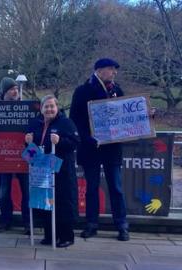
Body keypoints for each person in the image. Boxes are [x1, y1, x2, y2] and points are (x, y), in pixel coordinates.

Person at [69, 58, 130, 241]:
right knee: (92, 188)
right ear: (100, 70)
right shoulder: (82, 91)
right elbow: (75, 120)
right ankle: (91, 224)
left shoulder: (117, 90)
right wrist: (88, 139)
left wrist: (145, 117)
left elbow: (127, 116)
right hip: (91, 148)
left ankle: (122, 225)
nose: (114, 72)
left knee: (116, 188)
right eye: (111, 69)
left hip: (112, 148)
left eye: (114, 70)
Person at [25, 95, 79, 248]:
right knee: (45, 202)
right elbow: (30, 152)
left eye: (51, 106)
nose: (49, 109)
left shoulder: (65, 123)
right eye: (46, 106)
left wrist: (60, 141)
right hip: (42, 169)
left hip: (61, 169)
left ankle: (67, 236)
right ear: (41, 109)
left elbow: (75, 143)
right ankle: (50, 234)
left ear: (57, 107)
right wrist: (28, 142)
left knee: (63, 203)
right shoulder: (35, 124)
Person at [0, 77, 30, 234]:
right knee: (4, 192)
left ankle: (28, 222)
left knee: (26, 192)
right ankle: (5, 221)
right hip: (3, 157)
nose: (15, 91)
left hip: (24, 156)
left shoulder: (27, 108)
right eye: (11, 89)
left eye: (16, 88)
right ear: (4, 93)